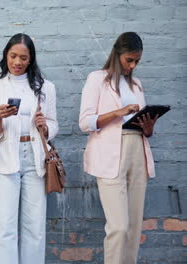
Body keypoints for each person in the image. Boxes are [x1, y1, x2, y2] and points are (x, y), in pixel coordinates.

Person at [79, 32, 157, 264]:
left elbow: (147, 133)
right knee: (119, 228)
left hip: (137, 150)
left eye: (137, 61)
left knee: (133, 228)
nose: (132, 66)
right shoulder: (97, 79)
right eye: (129, 60)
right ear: (117, 54)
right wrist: (117, 113)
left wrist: (149, 126)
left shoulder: (137, 85)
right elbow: (85, 122)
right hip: (110, 153)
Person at [0, 33, 58, 264]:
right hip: (7, 158)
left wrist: (44, 126)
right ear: (6, 55)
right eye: (13, 56)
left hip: (35, 159)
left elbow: (54, 125)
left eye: (23, 58)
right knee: (5, 225)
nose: (17, 62)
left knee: (34, 225)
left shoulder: (45, 87)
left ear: (31, 59)